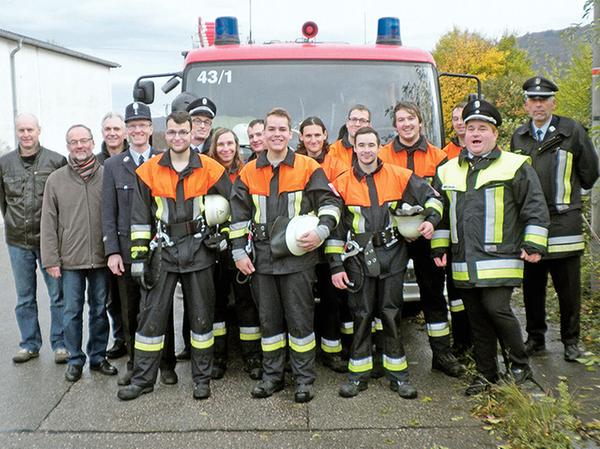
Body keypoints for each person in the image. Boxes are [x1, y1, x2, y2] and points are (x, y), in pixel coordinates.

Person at [433, 99, 549, 395]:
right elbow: (442, 212)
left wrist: (534, 242)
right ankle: (487, 374)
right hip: (463, 260)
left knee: (496, 308)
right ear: (463, 132)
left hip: (500, 257)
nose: (475, 133)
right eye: (471, 128)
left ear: (495, 134)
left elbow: (534, 207)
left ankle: (520, 366)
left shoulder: (514, 166)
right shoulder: (447, 171)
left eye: (482, 128)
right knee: (476, 319)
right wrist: (438, 247)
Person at [117, 111, 232, 401]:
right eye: (172, 132)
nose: (177, 137)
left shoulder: (210, 168)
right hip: (164, 252)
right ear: (164, 134)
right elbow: (140, 220)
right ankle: (144, 379)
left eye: (183, 132)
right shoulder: (150, 170)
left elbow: (235, 205)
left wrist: (224, 236)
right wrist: (140, 259)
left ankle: (201, 379)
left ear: (192, 133)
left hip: (199, 251)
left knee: (201, 318)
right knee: (150, 319)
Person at [230, 108, 342, 403]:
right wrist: (239, 252)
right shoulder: (248, 171)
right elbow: (238, 217)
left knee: (300, 321)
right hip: (262, 260)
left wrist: (321, 231)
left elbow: (331, 204)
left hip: (298, 258)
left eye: (282, 129)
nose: (277, 134)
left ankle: (304, 380)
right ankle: (273, 377)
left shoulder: (307, 167)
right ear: (263, 134)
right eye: (272, 129)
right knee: (269, 323)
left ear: (290, 133)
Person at [327, 126, 442, 399]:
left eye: (371, 145)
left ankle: (398, 375)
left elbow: (433, 198)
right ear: (353, 148)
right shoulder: (341, 182)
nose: (366, 150)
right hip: (357, 257)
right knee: (362, 314)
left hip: (393, 253)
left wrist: (430, 221)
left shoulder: (400, 176)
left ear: (379, 147)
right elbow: (334, 229)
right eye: (361, 145)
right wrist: (335, 265)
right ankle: (358, 375)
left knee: (391, 313)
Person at [510, 76, 599, 362]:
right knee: (533, 288)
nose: (538, 104)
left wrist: (570, 198)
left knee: (568, 288)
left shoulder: (571, 131)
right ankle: (536, 338)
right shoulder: (519, 137)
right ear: (526, 105)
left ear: (553, 103)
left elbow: (590, 171)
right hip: (531, 224)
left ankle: (571, 341)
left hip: (564, 223)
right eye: (533, 100)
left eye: (544, 99)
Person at [379, 101, 465, 378]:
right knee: (388, 298)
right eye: (401, 119)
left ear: (420, 122)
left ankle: (441, 353)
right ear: (395, 126)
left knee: (433, 295)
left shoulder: (438, 157)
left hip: (427, 236)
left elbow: (443, 201)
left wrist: (437, 236)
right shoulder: (382, 155)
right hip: (392, 236)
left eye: (411, 119)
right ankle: (386, 354)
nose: (406, 124)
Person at [102, 102, 177, 387]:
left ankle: (166, 364)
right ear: (125, 132)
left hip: (160, 250)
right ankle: (134, 364)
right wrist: (112, 252)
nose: (137, 131)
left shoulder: (164, 160)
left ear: (150, 129)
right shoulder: (112, 165)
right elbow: (108, 213)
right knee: (130, 310)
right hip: (126, 250)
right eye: (131, 126)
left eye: (142, 125)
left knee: (162, 308)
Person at [41, 124, 117, 382]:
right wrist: (51, 259)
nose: (80, 146)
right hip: (70, 260)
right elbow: (48, 222)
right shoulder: (56, 179)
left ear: (93, 143)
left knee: (98, 309)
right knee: (71, 311)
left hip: (100, 257)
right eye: (74, 142)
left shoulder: (108, 175)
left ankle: (98, 357)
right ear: (68, 147)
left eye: (84, 141)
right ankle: (75, 359)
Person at [0, 113, 68, 364]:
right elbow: (4, 203)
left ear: (39, 130)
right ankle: (29, 344)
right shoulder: (4, 164)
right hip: (18, 240)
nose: (26, 135)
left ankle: (61, 344)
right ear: (16, 132)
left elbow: (62, 201)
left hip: (48, 241)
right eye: (21, 130)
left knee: (57, 295)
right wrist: (14, 223)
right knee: (25, 297)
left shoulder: (56, 161)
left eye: (30, 129)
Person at [206, 127, 262, 380]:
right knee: (216, 304)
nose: (226, 149)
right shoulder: (206, 172)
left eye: (230, 144)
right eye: (221, 144)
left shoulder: (246, 172)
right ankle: (219, 357)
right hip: (214, 251)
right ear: (214, 147)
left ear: (238, 147)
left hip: (241, 248)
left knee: (245, 302)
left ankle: (252, 356)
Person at [297, 116, 350, 373]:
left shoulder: (338, 164)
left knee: (332, 298)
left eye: (318, 135)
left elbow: (341, 199)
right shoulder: (296, 163)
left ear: (326, 135)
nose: (313, 140)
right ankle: (302, 351)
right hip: (300, 239)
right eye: (308, 136)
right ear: (301, 138)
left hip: (331, 237)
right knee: (301, 299)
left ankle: (332, 350)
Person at [97, 111, 129, 360]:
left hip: (133, 238)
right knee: (112, 297)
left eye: (117, 128)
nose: (112, 133)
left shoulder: (136, 158)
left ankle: (137, 338)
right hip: (107, 238)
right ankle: (120, 338)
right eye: (108, 129)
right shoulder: (97, 162)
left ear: (125, 131)